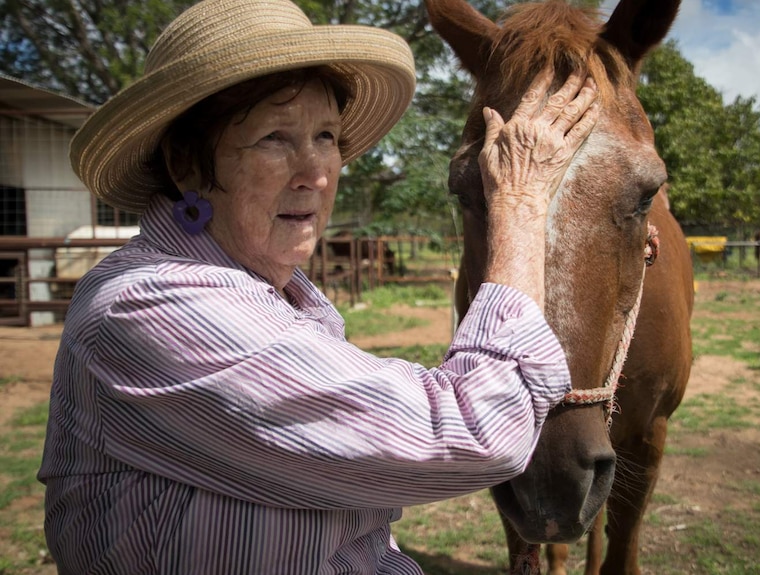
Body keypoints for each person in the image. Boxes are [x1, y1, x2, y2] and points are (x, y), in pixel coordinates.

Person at [38, 0, 599, 572]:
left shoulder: (277, 299)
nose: (317, 172)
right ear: (185, 164)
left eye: (327, 135)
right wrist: (522, 203)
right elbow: (472, 430)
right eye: (275, 139)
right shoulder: (147, 307)